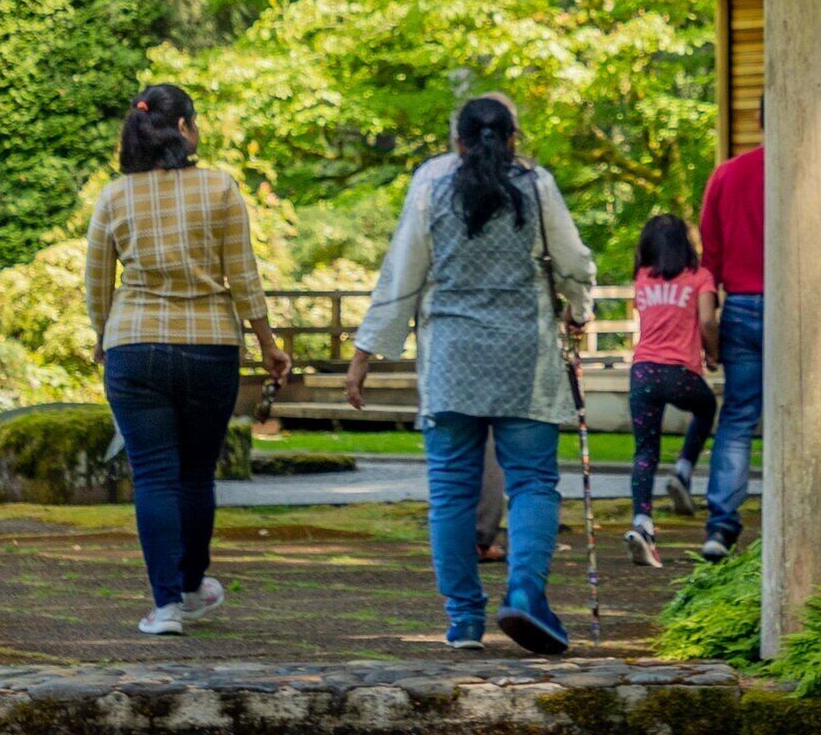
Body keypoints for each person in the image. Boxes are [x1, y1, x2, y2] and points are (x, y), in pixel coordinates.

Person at [346, 94, 597, 655]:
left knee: (452, 495)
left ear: (457, 141)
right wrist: (578, 311)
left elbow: (402, 274)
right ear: (514, 138)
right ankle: (526, 593)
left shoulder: (431, 184)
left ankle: (463, 620)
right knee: (533, 480)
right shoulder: (537, 186)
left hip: (450, 364)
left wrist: (366, 352)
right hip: (525, 360)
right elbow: (574, 263)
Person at [84, 85, 298, 637]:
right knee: (197, 473)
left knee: (153, 475)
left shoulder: (114, 197)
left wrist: (102, 334)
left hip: (134, 344)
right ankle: (191, 584)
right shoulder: (220, 188)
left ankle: (166, 608)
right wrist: (268, 343)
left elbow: (96, 284)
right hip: (210, 345)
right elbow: (244, 276)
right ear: (184, 130)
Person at [617, 213, 719, 566]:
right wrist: (714, 354)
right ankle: (684, 470)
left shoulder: (642, 277)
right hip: (679, 374)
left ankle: (642, 524)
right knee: (706, 409)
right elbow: (707, 320)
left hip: (643, 373)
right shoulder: (700, 277)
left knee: (645, 450)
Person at [689, 142, 768, 563]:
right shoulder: (810, 170)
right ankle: (794, 512)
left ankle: (720, 524)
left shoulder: (727, 174)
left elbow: (711, 255)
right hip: (796, 303)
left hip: (741, 305)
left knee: (738, 417)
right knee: (801, 416)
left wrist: (708, 323)